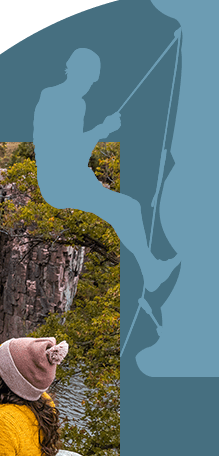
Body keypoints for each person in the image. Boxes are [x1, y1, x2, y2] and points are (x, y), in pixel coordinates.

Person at [33, 47, 180, 292]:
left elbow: (71, 152)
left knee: (126, 210)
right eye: (89, 78)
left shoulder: (65, 100)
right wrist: (101, 130)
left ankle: (151, 270)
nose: (89, 85)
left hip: (64, 177)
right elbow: (67, 149)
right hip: (58, 183)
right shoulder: (60, 101)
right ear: (76, 73)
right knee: (129, 208)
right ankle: (152, 271)